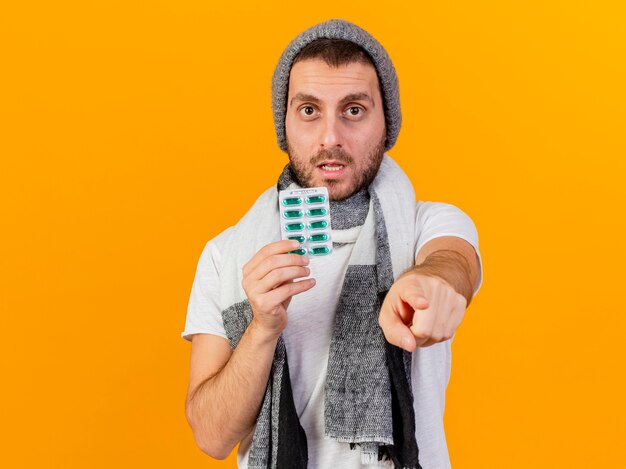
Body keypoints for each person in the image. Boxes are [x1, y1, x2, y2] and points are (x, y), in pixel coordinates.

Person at [182, 19, 483, 469]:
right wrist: (262, 327)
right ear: (284, 124)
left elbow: (452, 263)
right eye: (309, 111)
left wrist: (430, 282)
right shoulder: (227, 255)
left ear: (388, 123)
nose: (330, 138)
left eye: (354, 110)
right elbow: (211, 436)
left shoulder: (427, 224)